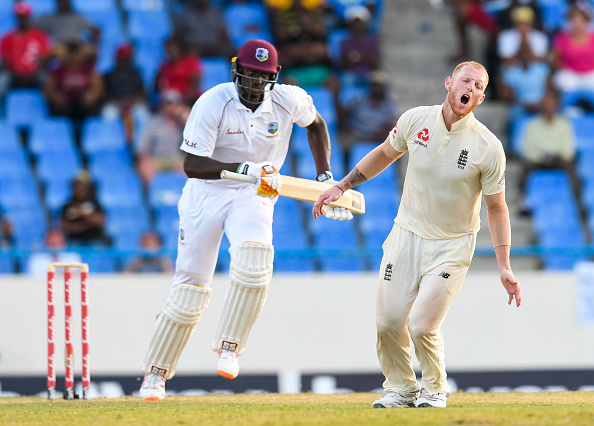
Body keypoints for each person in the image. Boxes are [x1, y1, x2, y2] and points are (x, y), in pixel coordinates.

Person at [139, 38, 351, 401]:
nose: (254, 83)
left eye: (262, 76)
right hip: (208, 193)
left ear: (274, 77)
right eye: (250, 74)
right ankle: (155, 376)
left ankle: (230, 347)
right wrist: (244, 169)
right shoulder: (213, 101)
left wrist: (325, 178)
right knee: (190, 290)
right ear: (237, 69)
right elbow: (193, 165)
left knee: (255, 262)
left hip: (254, 194)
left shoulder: (288, 99)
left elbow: (316, 125)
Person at [313, 61, 522, 408]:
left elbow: (497, 208)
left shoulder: (488, 147)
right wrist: (342, 186)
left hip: (452, 244)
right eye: (465, 79)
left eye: (478, 85)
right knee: (388, 320)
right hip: (406, 234)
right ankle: (401, 389)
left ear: (481, 98)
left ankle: (435, 389)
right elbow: (384, 153)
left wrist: (504, 265)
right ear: (449, 83)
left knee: (423, 325)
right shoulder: (415, 120)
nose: (470, 87)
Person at [43, 40, 104, 121]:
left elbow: (98, 88)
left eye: (75, 53)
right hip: (65, 103)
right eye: (70, 54)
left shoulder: (89, 70)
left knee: (91, 109)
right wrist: (55, 96)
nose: (73, 57)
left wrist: (92, 95)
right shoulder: (58, 71)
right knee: (60, 109)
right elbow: (49, 89)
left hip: (83, 103)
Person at [0, 2, 52, 94]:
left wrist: (31, 75)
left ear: (29, 17)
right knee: (2, 81)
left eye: (25, 16)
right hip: (14, 76)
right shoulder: (7, 38)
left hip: (34, 75)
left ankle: (55, 108)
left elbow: (44, 59)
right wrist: (17, 75)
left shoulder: (40, 36)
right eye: (20, 17)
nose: (22, 20)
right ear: (16, 17)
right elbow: (5, 63)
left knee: (47, 80)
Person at [137, 90, 187, 185]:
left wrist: (184, 120)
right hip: (157, 159)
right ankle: (149, 198)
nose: (171, 107)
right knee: (145, 168)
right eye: (168, 104)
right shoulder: (153, 123)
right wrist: (145, 159)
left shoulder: (185, 123)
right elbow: (142, 147)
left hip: (177, 159)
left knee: (191, 169)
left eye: (174, 104)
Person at [102, 43, 149, 140]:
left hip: (133, 104)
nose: (123, 61)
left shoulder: (136, 74)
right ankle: (113, 142)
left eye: (125, 59)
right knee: (109, 114)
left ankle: (139, 147)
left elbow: (142, 94)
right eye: (120, 58)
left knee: (142, 114)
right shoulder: (109, 75)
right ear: (116, 59)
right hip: (115, 104)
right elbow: (104, 95)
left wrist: (130, 102)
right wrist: (119, 102)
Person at [339, 70, 398, 144]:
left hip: (378, 138)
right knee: (344, 144)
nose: (377, 88)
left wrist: (374, 138)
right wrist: (349, 129)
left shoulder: (390, 104)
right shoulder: (359, 99)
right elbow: (344, 112)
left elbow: (390, 125)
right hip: (356, 135)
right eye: (375, 85)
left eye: (380, 85)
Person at [60, 171, 108, 246]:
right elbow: (65, 227)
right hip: (74, 242)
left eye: (83, 187)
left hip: (94, 241)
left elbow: (100, 221)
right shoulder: (68, 206)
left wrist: (82, 213)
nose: (79, 190)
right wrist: (85, 225)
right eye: (76, 187)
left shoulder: (95, 204)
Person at [155, 36, 203, 106]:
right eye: (168, 49)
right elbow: (158, 85)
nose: (170, 51)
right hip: (169, 101)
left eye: (173, 48)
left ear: (179, 48)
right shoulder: (164, 65)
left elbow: (195, 84)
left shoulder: (190, 62)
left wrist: (184, 102)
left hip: (188, 101)